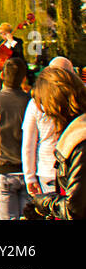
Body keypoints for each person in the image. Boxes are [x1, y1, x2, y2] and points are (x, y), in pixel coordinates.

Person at [25, 65, 86, 219]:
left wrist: (44, 203)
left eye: (44, 106)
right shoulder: (77, 132)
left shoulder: (80, 139)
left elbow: (75, 208)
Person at [0, 58, 31, 219]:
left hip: (1, 169)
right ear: (24, 78)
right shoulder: (32, 104)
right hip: (28, 170)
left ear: (2, 75)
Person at [24, 55, 76, 198]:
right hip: (76, 168)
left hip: (47, 169)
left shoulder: (36, 103)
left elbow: (29, 143)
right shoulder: (79, 100)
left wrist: (30, 176)